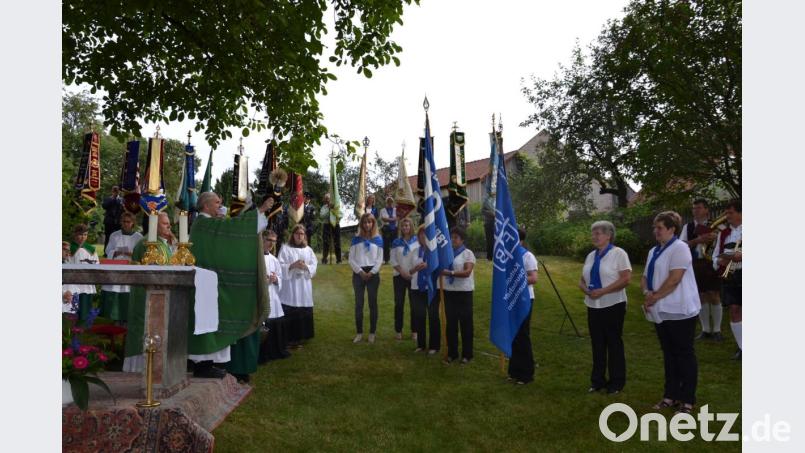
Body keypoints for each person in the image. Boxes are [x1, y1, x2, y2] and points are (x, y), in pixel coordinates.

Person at [188, 191, 274, 383]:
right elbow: (234, 231)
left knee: (212, 321)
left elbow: (229, 230)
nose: (221, 206)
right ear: (206, 206)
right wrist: (260, 210)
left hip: (209, 284)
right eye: (217, 203)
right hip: (203, 285)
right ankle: (203, 365)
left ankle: (209, 364)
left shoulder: (208, 223)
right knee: (206, 322)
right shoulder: (204, 224)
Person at [642, 211, 701, 415]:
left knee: (684, 354)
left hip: (679, 309)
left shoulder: (680, 248)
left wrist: (654, 296)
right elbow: (644, 276)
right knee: (669, 354)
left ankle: (687, 400)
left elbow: (675, 278)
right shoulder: (654, 251)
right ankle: (670, 394)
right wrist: (647, 293)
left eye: (659, 227)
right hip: (661, 309)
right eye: (654, 227)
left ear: (672, 229)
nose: (655, 231)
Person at [578, 221, 632, 394]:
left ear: (608, 235)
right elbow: (582, 280)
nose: (594, 236)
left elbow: (626, 279)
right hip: (593, 305)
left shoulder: (618, 254)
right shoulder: (591, 256)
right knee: (597, 344)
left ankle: (616, 382)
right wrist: (587, 290)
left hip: (613, 304)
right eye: (593, 233)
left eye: (598, 233)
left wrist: (603, 291)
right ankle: (597, 381)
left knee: (614, 343)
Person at [123, 212, 174, 373]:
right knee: (144, 329)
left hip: (159, 294)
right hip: (145, 295)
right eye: (165, 224)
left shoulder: (162, 243)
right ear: (155, 226)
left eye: (168, 223)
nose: (169, 226)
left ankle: (155, 367)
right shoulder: (148, 243)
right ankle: (141, 368)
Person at [679, 198, 722, 341]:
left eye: (698, 208)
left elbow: (724, 244)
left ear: (706, 210)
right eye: (693, 208)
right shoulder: (688, 227)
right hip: (695, 263)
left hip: (712, 263)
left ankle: (717, 330)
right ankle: (706, 330)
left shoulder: (717, 226)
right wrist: (697, 241)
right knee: (701, 296)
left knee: (714, 295)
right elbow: (682, 245)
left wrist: (715, 238)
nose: (695, 211)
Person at [439, 226, 476, 364]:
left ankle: (467, 354)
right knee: (451, 324)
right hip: (450, 291)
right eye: (451, 237)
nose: (453, 240)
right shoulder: (446, 253)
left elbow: (467, 272)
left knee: (466, 324)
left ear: (462, 239)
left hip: (464, 293)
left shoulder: (468, 253)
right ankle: (452, 353)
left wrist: (450, 273)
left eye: (456, 237)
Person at [278, 223, 317, 349]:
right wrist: (292, 265)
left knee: (303, 308)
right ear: (293, 235)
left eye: (302, 234)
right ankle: (290, 337)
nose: (299, 236)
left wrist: (306, 267)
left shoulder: (308, 250)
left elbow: (314, 265)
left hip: (304, 284)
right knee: (291, 307)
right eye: (297, 234)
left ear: (304, 236)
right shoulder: (285, 248)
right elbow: (279, 265)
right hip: (290, 285)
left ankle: (302, 336)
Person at [99, 212, 143, 324]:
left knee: (127, 291)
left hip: (130, 270)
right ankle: (115, 318)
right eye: (124, 221)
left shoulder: (138, 237)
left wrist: (131, 254)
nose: (126, 224)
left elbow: (141, 255)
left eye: (128, 222)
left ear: (133, 223)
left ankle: (127, 318)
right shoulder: (114, 235)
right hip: (117, 268)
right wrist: (116, 252)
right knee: (116, 290)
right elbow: (107, 250)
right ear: (121, 222)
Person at [712, 199, 742, 360]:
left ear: (740, 213)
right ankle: (742, 347)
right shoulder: (723, 233)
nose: (727, 216)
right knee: (734, 310)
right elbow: (714, 256)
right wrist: (719, 261)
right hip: (731, 275)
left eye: (730, 213)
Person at [508, 227, 539, 384]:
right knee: (513, 335)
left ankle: (526, 373)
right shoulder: (508, 256)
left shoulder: (527, 256)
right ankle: (514, 371)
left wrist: (516, 280)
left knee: (522, 335)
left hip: (525, 299)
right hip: (511, 299)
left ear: (520, 240)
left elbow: (533, 278)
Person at [349, 213, 383, 343]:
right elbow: (351, 259)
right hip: (359, 273)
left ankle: (372, 333)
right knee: (359, 304)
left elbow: (380, 260)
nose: (367, 225)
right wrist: (360, 272)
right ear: (361, 224)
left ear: (373, 224)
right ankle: (359, 333)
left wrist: (372, 272)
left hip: (373, 274)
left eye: (370, 222)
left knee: (372, 303)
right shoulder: (356, 239)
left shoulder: (378, 239)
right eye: (365, 222)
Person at [259, 230, 290, 363]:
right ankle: (262, 354)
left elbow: (281, 278)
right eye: (269, 240)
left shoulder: (274, 259)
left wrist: (275, 279)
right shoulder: (255, 257)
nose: (271, 243)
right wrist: (264, 281)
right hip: (260, 295)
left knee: (275, 322)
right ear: (262, 240)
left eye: (274, 241)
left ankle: (275, 351)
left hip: (273, 296)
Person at [409, 226, 441, 354]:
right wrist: (416, 269)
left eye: (426, 235)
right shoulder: (414, 251)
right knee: (419, 316)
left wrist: (429, 265)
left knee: (433, 317)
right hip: (417, 288)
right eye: (421, 235)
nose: (423, 237)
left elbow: (441, 268)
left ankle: (434, 346)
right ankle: (421, 345)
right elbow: (409, 271)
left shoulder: (435, 252)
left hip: (431, 288)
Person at [390, 217, 418, 341]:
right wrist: (402, 272)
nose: (405, 227)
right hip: (399, 276)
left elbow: (419, 258)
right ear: (400, 228)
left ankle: (415, 330)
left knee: (414, 305)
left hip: (413, 276)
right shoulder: (396, 242)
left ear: (411, 227)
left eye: (408, 225)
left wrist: (411, 272)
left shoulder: (417, 241)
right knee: (399, 304)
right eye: (403, 225)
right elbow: (393, 260)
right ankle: (398, 330)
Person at [69, 224, 100, 320]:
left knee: (85, 303)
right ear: (75, 234)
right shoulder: (69, 248)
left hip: (86, 281)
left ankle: (84, 322)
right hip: (73, 281)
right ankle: (71, 324)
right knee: (73, 304)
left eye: (85, 235)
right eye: (80, 234)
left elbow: (96, 263)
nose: (83, 237)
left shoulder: (91, 249)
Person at [320, 192, 342, 264]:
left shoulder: (337, 206)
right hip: (326, 225)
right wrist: (328, 210)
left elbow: (341, 215)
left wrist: (334, 210)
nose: (328, 200)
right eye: (326, 198)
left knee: (337, 242)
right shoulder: (324, 207)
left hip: (335, 224)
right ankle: (324, 259)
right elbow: (322, 216)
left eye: (329, 198)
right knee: (326, 242)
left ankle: (339, 259)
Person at [102, 186, 124, 250]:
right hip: (109, 221)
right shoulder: (108, 199)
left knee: (118, 237)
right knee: (108, 236)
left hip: (118, 222)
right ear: (112, 191)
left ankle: (117, 250)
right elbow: (104, 206)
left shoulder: (122, 200)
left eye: (117, 191)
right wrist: (113, 199)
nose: (115, 192)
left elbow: (123, 210)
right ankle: (106, 252)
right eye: (114, 191)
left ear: (119, 191)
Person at [379, 196, 397, 264]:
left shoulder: (395, 209)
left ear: (393, 202)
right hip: (386, 228)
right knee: (386, 244)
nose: (390, 203)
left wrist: (389, 219)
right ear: (386, 202)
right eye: (388, 202)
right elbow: (383, 219)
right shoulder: (382, 210)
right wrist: (392, 219)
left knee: (394, 244)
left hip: (394, 228)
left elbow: (397, 218)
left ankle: (394, 259)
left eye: (391, 202)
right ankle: (386, 260)